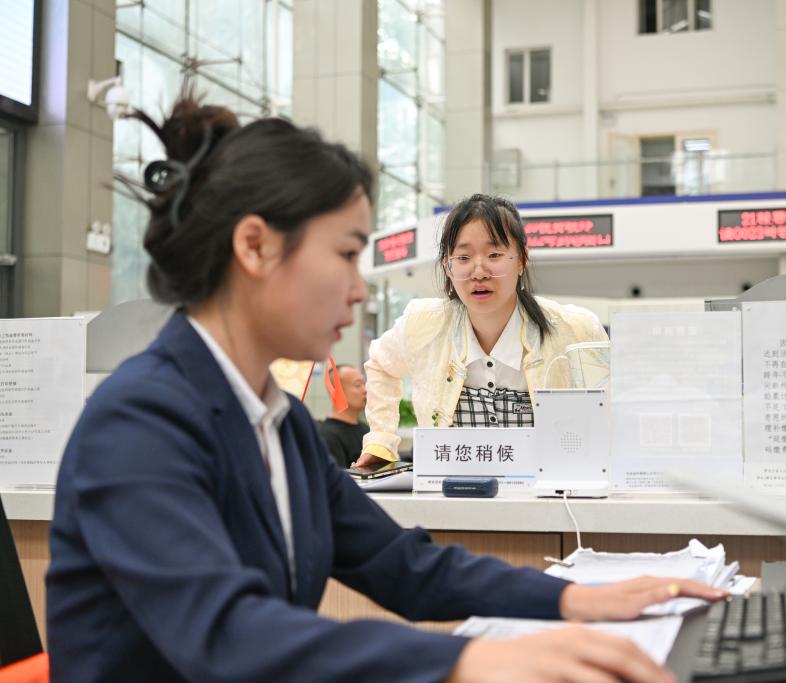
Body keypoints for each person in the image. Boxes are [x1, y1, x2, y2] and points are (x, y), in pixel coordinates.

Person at [45, 94, 726, 683]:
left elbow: (401, 564)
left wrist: (574, 597)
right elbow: (228, 633)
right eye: (346, 254)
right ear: (254, 247)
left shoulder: (277, 423)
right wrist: (467, 660)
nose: (358, 288)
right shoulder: (140, 420)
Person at [356, 193, 609, 467]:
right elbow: (381, 364)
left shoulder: (576, 330)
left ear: (522, 259)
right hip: (452, 490)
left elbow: (610, 409)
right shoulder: (422, 324)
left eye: (494, 254)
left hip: (549, 491)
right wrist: (381, 440)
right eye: (463, 257)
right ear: (448, 266)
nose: (479, 272)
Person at [317, 359, 370, 467]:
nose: (365, 390)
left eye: (364, 384)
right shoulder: (327, 436)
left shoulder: (366, 429)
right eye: (357, 385)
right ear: (336, 391)